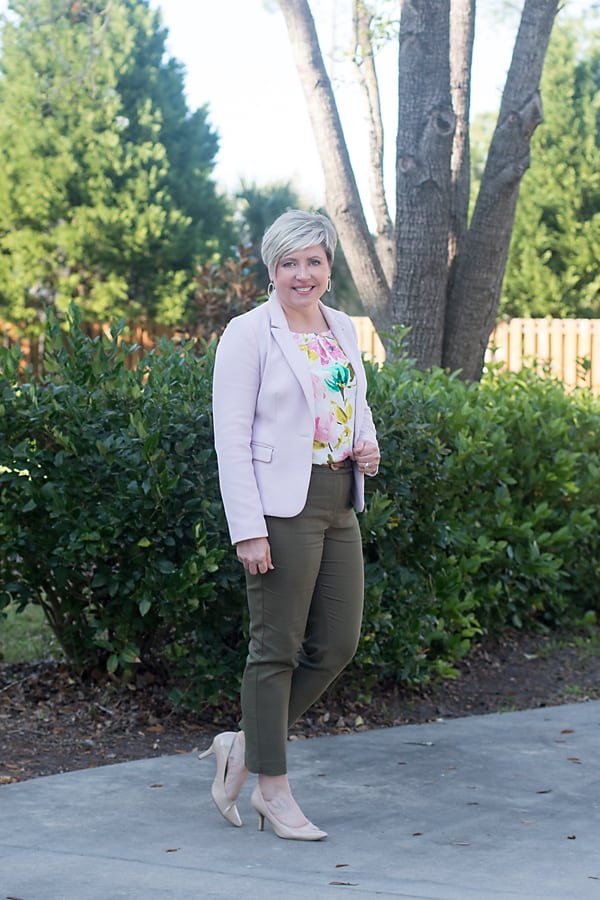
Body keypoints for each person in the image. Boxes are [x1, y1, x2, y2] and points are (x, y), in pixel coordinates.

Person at [200, 209, 380, 841]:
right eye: (289, 263)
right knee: (274, 649)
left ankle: (243, 746)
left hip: (339, 497)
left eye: (314, 261)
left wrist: (367, 444)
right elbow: (231, 438)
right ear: (271, 269)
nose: (303, 274)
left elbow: (352, 403)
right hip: (281, 507)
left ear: (330, 266)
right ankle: (272, 790)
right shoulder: (247, 334)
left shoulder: (343, 328)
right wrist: (248, 529)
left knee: (336, 644)